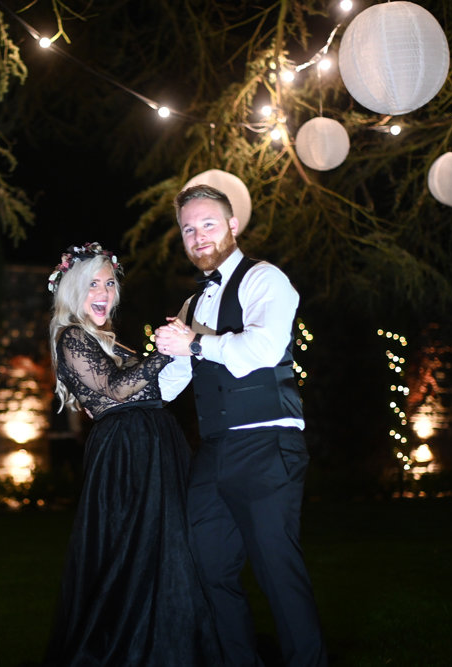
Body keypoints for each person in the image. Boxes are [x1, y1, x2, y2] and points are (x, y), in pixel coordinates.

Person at [154, 185, 327, 666]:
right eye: (189, 228)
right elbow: (170, 383)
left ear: (233, 226)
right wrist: (111, 390)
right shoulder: (194, 305)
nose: (198, 235)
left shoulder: (265, 280)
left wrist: (192, 344)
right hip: (214, 452)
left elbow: (263, 350)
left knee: (277, 570)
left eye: (208, 223)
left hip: (268, 445)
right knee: (209, 564)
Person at [44, 242, 220, 666]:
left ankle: (167, 643)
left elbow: (155, 387)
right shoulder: (72, 336)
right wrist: (162, 350)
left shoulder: (110, 342)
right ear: (72, 290)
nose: (103, 292)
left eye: (108, 283)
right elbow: (114, 389)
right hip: (125, 453)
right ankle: (124, 644)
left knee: (166, 546)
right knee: (131, 550)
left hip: (154, 444)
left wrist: (183, 341)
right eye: (91, 285)